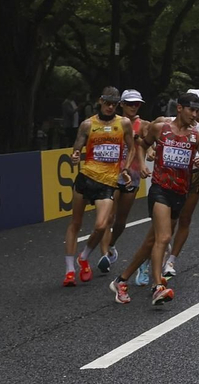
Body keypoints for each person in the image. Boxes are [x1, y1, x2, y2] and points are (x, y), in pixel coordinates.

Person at [111, 94, 199, 307]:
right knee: (163, 238)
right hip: (160, 189)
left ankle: (121, 280)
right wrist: (144, 164)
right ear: (180, 108)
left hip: (180, 193)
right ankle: (158, 287)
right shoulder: (160, 128)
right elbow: (142, 145)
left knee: (150, 242)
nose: (195, 114)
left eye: (197, 111)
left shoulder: (197, 136)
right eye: (191, 110)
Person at [64, 88, 133, 287]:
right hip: (86, 178)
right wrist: (75, 155)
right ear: (100, 101)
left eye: (114, 104)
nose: (110, 107)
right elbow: (76, 149)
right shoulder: (88, 124)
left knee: (102, 225)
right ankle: (69, 271)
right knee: (75, 223)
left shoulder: (124, 123)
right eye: (107, 103)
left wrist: (126, 168)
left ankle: (84, 257)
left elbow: (131, 147)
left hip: (108, 182)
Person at [161, 89, 199, 280]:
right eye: (195, 108)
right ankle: (155, 256)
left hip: (194, 178)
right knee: (167, 222)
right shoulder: (169, 124)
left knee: (184, 219)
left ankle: (171, 260)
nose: (198, 112)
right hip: (171, 177)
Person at [99, 89, 148, 276]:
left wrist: (145, 156)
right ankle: (104, 256)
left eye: (136, 104)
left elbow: (146, 145)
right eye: (129, 104)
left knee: (120, 221)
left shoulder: (143, 125)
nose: (133, 107)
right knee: (107, 218)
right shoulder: (112, 122)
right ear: (122, 105)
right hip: (111, 175)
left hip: (132, 176)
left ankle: (111, 245)